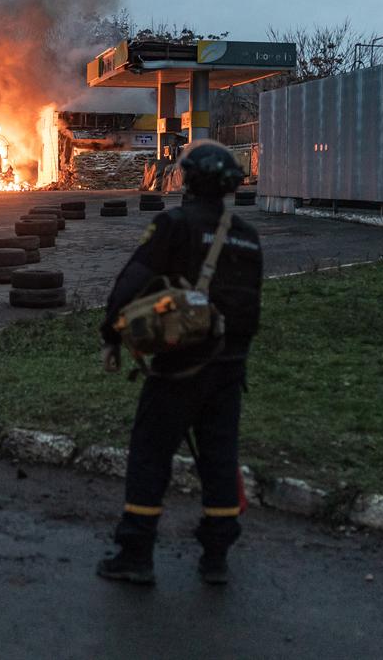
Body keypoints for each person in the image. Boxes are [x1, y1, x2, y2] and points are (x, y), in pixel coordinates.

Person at [97, 140, 264, 586]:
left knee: (151, 453)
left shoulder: (173, 225)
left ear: (187, 179)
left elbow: (131, 281)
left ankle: (135, 554)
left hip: (179, 366)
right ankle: (215, 558)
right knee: (219, 456)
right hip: (231, 368)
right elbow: (251, 307)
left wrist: (111, 335)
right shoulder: (247, 235)